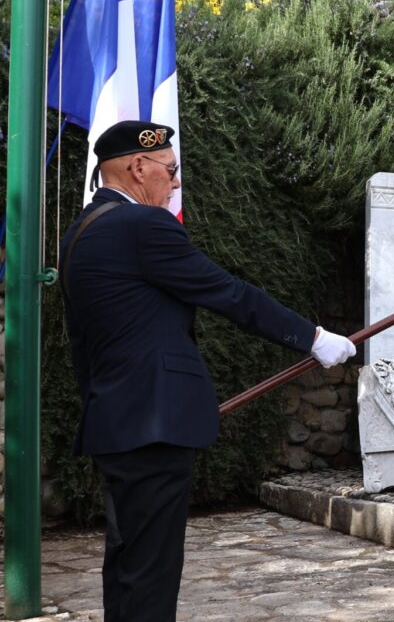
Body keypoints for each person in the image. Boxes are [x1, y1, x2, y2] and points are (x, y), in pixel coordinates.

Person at [61, 120, 357, 620]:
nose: (175, 182)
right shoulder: (142, 226)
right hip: (153, 426)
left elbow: (85, 343)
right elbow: (229, 294)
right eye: (171, 171)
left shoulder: (82, 232)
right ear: (139, 167)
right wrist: (314, 339)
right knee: (151, 573)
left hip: (115, 420)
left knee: (130, 564)